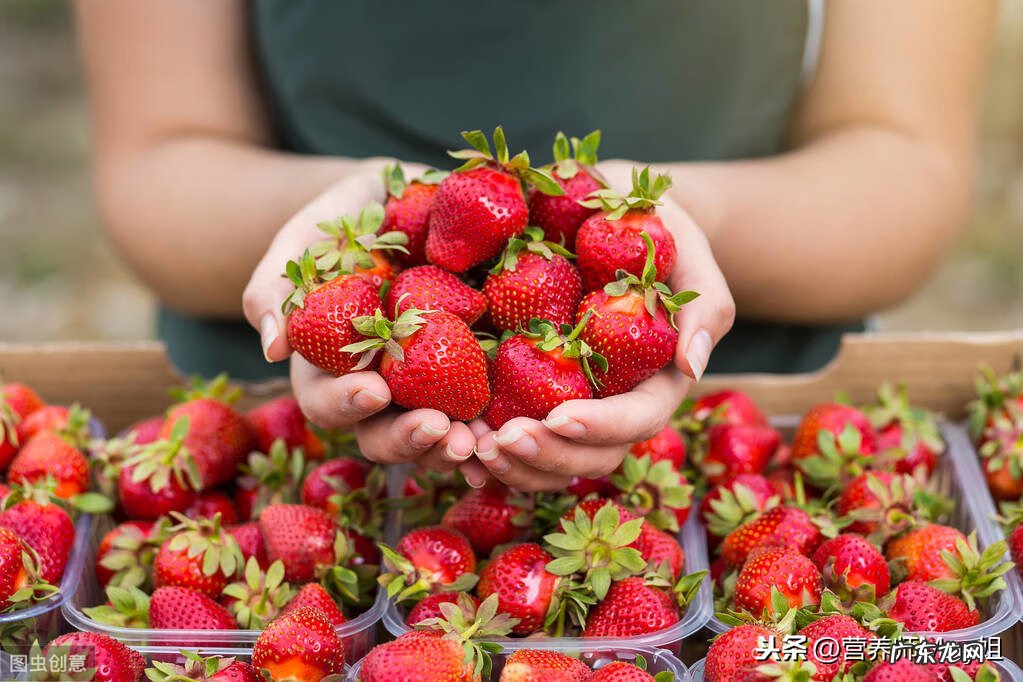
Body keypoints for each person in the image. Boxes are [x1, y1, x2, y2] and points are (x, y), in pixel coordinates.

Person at [74, 0, 995, 491]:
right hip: (286, 431)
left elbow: (903, 166)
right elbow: (155, 163)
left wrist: (684, 211)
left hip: (743, 429)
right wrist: (346, 221)